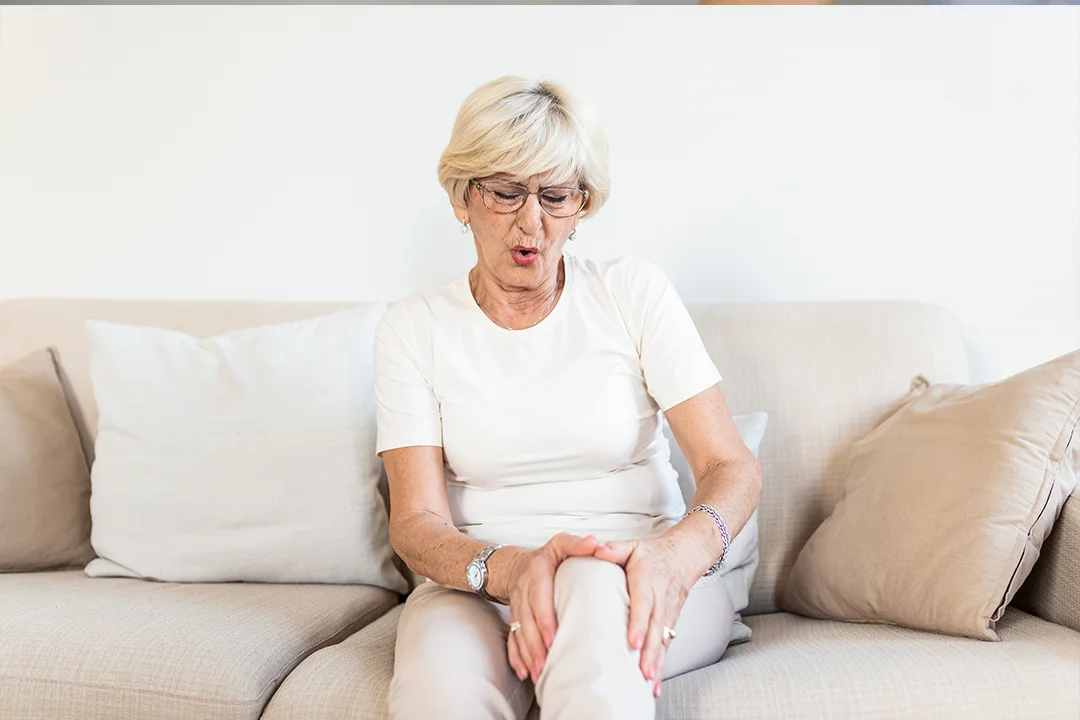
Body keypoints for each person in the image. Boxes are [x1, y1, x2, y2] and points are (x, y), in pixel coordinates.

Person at [375, 75, 762, 720]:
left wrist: (677, 557)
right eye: (506, 193)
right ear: (462, 197)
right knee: (438, 689)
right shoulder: (414, 327)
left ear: (582, 207)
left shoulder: (632, 293)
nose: (532, 222)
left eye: (556, 197)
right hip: (480, 585)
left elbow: (731, 465)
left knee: (589, 591)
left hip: (637, 573)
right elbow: (416, 524)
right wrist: (513, 570)